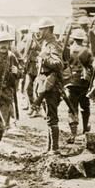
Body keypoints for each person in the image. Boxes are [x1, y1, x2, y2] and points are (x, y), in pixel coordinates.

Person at [30, 17, 64, 154]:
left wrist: (45, 58)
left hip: (52, 86)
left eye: (42, 29)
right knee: (48, 117)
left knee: (52, 117)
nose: (39, 32)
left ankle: (54, 148)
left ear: (49, 29)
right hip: (45, 85)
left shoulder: (53, 45)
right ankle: (49, 148)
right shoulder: (46, 44)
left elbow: (59, 64)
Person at [64, 29, 93, 143]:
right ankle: (85, 129)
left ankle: (73, 133)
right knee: (85, 106)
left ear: (73, 38)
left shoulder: (68, 50)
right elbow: (91, 66)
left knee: (72, 108)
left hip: (71, 82)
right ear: (82, 39)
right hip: (83, 82)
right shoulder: (87, 51)